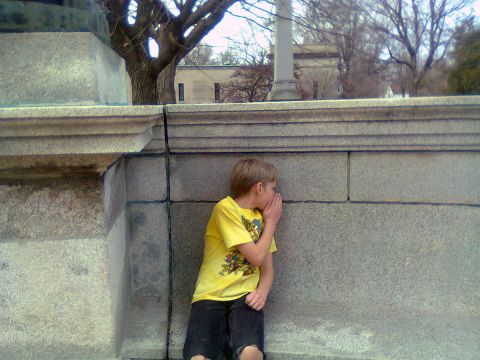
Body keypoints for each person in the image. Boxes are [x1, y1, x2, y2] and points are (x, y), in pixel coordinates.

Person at [183, 158, 283, 360]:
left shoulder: (261, 219)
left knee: (251, 353)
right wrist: (272, 222)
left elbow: (267, 268)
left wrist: (261, 294)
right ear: (259, 187)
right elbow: (255, 257)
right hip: (210, 295)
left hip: (244, 297)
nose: (276, 196)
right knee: (198, 357)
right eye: (273, 189)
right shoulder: (225, 208)